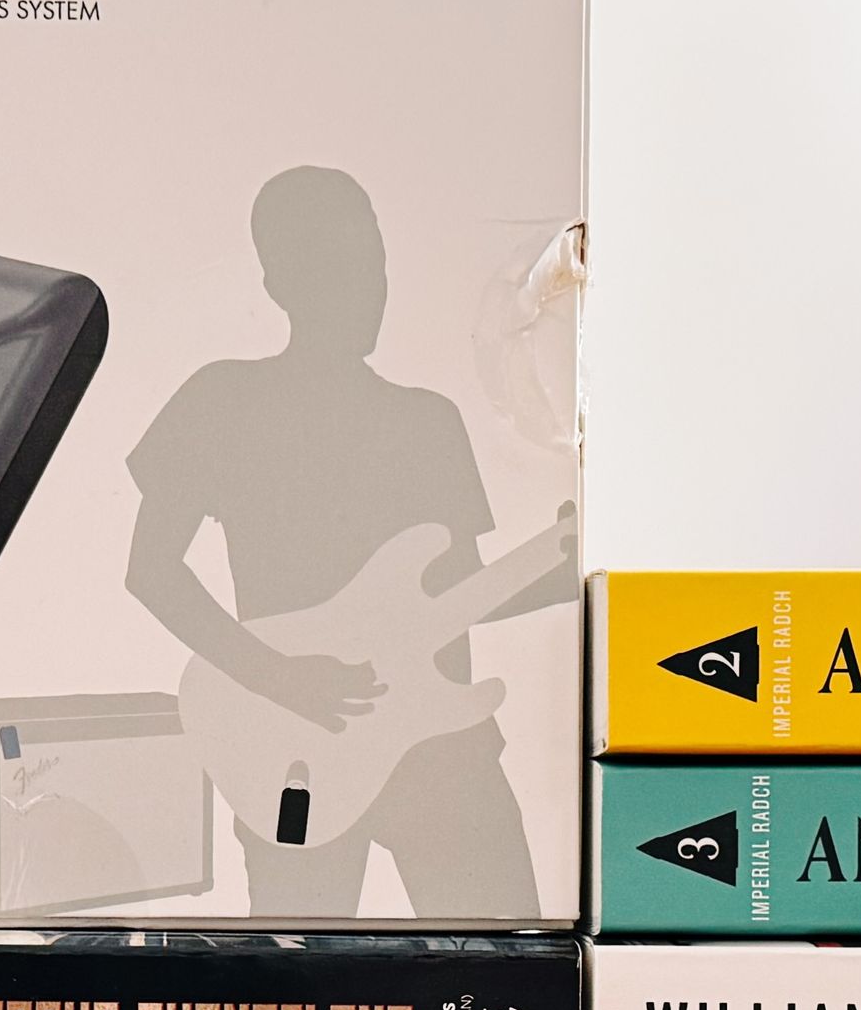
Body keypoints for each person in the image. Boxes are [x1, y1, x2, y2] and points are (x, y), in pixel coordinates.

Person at [124, 166, 574, 916]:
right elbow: (150, 571)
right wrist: (277, 679)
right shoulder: (222, 398)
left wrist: (561, 571)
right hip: (294, 752)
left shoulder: (428, 421)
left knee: (506, 966)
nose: (367, 287)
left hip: (443, 757)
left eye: (374, 262)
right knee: (301, 980)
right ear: (279, 284)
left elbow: (458, 596)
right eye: (337, 265)